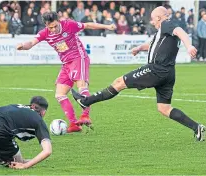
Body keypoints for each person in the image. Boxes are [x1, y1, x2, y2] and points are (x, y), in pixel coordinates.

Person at [71, 6, 205, 141]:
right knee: (164, 108)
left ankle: (86, 101)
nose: (152, 22)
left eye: (153, 19)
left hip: (156, 70)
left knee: (119, 82)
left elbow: (180, 31)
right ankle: (197, 127)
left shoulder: (167, 24)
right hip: (169, 73)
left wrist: (189, 46)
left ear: (159, 17)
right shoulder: (163, 32)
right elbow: (153, 44)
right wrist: (140, 48)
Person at [16, 11, 116, 133]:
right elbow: (31, 42)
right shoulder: (45, 33)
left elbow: (88, 25)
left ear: (58, 21)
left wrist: (107, 27)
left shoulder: (69, 25)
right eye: (50, 27)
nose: (53, 29)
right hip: (66, 64)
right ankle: (74, 124)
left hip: (79, 58)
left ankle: (85, 115)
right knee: (60, 94)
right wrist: (23, 46)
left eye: (55, 26)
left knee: (81, 86)